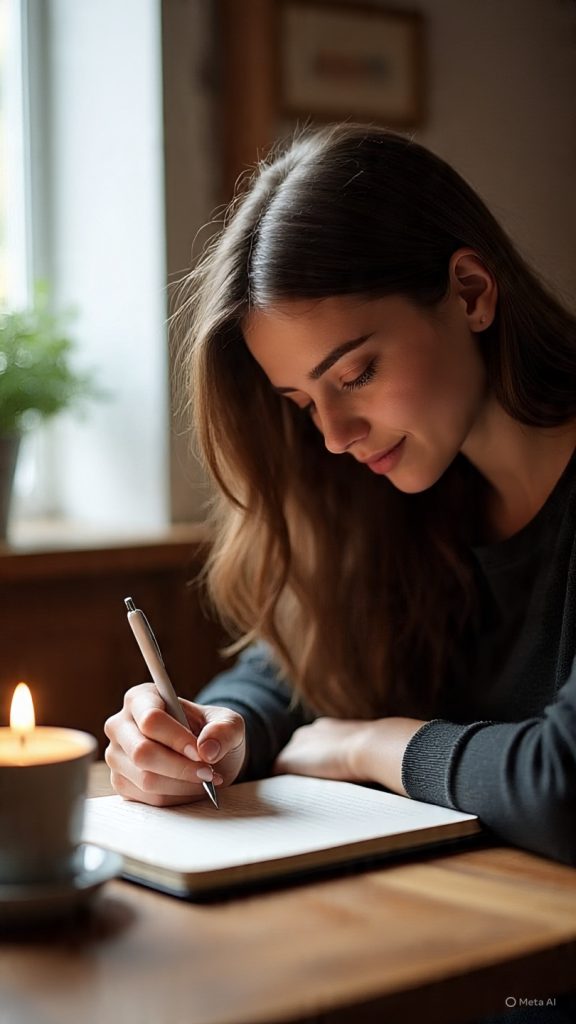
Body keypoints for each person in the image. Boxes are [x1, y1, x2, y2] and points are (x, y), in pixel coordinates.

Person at [104, 123, 576, 870]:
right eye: (302, 402)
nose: (334, 434)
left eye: (355, 375)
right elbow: (289, 669)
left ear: (471, 293)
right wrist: (217, 732)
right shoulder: (392, 494)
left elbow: (565, 783)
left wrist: (373, 742)